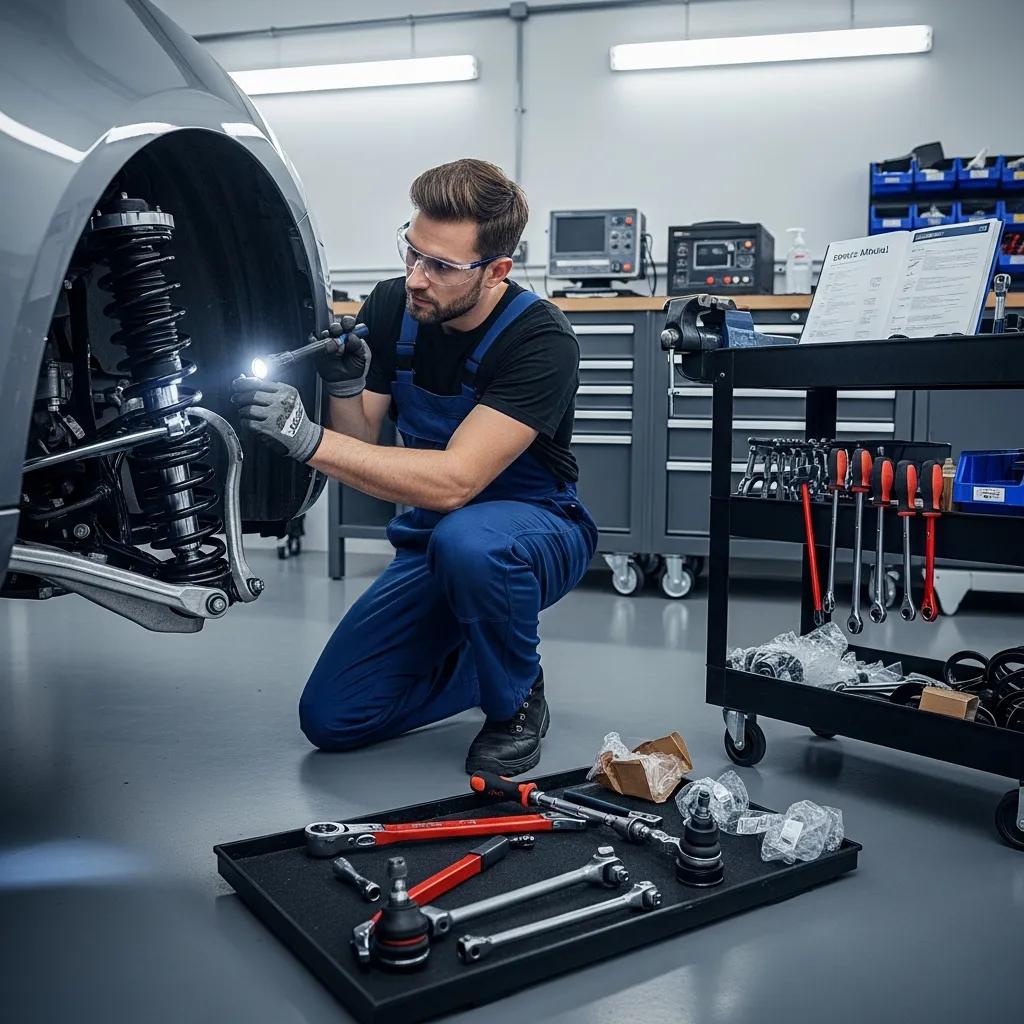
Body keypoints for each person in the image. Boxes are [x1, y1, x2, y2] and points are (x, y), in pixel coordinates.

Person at [231, 158, 597, 776]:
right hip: (433, 539)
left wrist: (304, 437)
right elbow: (362, 449)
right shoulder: (393, 305)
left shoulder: (541, 340)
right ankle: (486, 666)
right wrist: (345, 389)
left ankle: (516, 699)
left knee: (470, 542)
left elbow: (455, 483)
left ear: (496, 271)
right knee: (332, 717)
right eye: (412, 252)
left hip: (535, 530)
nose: (416, 279)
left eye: (441, 266)